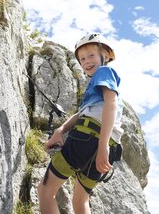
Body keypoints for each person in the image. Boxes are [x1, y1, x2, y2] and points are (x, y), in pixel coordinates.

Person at [37, 33, 124, 214]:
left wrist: (102, 146)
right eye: (82, 59)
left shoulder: (104, 72)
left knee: (45, 190)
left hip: (88, 139)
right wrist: (61, 130)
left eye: (91, 55)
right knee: (80, 200)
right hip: (105, 146)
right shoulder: (97, 85)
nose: (86, 61)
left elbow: (111, 104)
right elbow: (80, 114)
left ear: (106, 56)